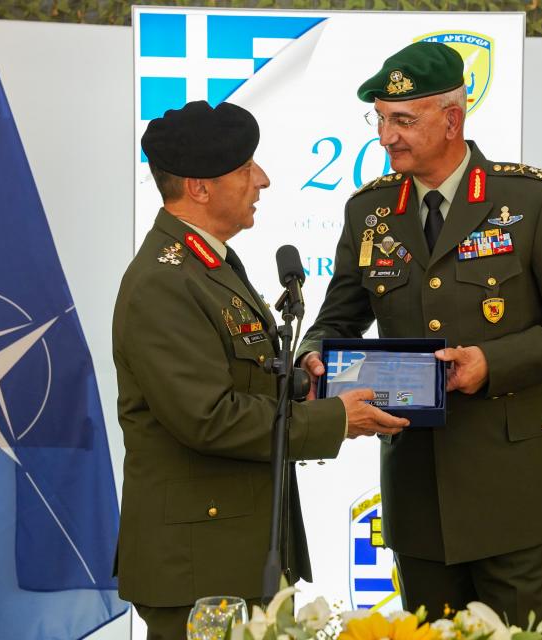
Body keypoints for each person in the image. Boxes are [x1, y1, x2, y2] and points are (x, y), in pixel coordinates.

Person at [297, 42, 542, 634]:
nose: (386, 137)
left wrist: (491, 363)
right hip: (418, 496)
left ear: (452, 119)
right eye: (380, 120)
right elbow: (336, 321)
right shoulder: (370, 212)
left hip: (516, 495)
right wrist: (314, 355)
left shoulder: (530, 201)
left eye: (403, 120)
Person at [113, 100, 408, 640]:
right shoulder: (164, 281)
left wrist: (302, 381)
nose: (263, 180)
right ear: (199, 188)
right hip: (200, 567)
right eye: (247, 168)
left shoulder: (208, 264)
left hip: (240, 553)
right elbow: (208, 418)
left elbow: (236, 377)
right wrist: (335, 418)